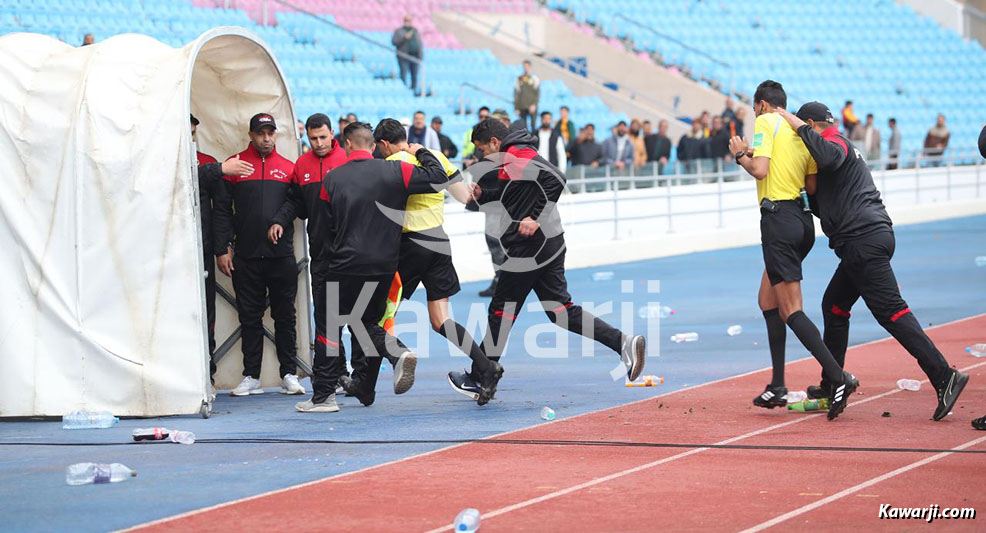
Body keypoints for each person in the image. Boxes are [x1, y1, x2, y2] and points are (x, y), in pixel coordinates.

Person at [777, 102, 968, 421]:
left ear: (812, 124)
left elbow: (827, 153)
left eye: (804, 129)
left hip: (862, 240)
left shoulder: (835, 142)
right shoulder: (831, 156)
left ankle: (943, 375)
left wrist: (794, 123)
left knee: (891, 311)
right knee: (834, 306)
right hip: (863, 239)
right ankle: (831, 383)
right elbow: (826, 207)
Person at [447, 118, 646, 398]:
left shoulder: (516, 153)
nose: (482, 157)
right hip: (549, 243)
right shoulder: (513, 157)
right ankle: (623, 343)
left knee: (502, 310)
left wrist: (535, 217)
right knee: (560, 312)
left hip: (530, 247)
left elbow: (555, 178)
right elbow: (513, 196)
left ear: (494, 142)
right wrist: (483, 196)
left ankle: (482, 377)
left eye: (482, 150)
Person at [339, 119, 503, 406]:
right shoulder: (435, 156)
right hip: (439, 242)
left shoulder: (393, 164)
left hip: (409, 246)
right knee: (441, 321)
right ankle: (487, 368)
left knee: (378, 318)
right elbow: (467, 199)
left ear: (385, 144)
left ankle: (366, 386)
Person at [293, 122, 455, 412]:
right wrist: (420, 151)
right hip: (384, 265)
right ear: (373, 145)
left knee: (329, 325)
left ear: (346, 144)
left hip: (345, 262)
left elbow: (326, 227)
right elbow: (438, 178)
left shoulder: (333, 178)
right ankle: (395, 354)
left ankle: (323, 397)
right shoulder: (395, 171)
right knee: (366, 323)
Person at [728, 80, 856, 420]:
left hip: (777, 220)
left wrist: (741, 153)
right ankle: (778, 385)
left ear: (761, 105)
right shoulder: (799, 134)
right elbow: (810, 185)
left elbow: (760, 170)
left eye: (756, 109)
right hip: (802, 223)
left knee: (791, 309)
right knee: (767, 299)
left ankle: (838, 376)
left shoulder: (766, 122)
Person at [213, 113, 305, 397]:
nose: (266, 138)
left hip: (281, 257)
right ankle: (251, 375)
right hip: (246, 256)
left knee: (285, 317)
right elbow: (222, 210)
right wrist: (222, 248)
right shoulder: (236, 164)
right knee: (249, 318)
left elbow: (297, 203)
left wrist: (279, 219)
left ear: (275, 135)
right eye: (261, 133)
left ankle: (289, 373)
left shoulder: (288, 168)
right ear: (251, 135)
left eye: (270, 133)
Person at [267, 113, 349, 398]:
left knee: (355, 313)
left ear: (331, 135)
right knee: (327, 313)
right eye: (313, 138)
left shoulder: (348, 161)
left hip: (351, 252)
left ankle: (357, 375)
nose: (318, 143)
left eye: (323, 137)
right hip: (321, 252)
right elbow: (295, 203)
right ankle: (338, 373)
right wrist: (279, 220)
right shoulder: (302, 165)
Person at [191, 114, 254, 386]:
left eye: (194, 132)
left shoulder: (207, 162)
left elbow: (220, 211)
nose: (191, 137)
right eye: (187, 131)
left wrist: (221, 249)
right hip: (167, 255)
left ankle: (207, 375)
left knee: (206, 314)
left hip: (201, 251)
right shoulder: (211, 167)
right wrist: (219, 170)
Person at [392, 15, 423, 95]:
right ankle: (403, 91)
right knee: (403, 74)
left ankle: (413, 91)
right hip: (404, 57)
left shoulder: (414, 31)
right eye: (406, 20)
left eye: (409, 20)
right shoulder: (399, 31)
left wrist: (420, 56)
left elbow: (419, 44)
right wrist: (404, 38)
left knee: (414, 76)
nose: (408, 22)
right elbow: (394, 42)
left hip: (414, 57)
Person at [514, 60, 540, 132]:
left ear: (530, 67)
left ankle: (534, 141)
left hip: (532, 106)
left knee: (533, 125)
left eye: (527, 66)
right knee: (523, 126)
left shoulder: (534, 78)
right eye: (524, 66)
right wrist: (516, 107)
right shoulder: (519, 79)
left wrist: (534, 104)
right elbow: (516, 93)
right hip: (522, 106)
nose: (526, 68)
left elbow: (537, 93)